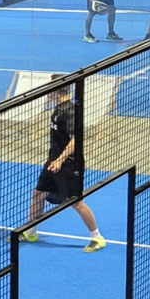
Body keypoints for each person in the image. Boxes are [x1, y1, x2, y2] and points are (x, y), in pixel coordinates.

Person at [18, 89, 106, 250]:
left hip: (68, 164)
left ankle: (97, 237)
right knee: (38, 194)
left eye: (49, 90)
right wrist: (54, 159)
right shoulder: (58, 108)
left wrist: (60, 160)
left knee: (76, 202)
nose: (47, 93)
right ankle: (31, 231)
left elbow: (75, 140)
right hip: (53, 162)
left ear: (56, 92)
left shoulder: (70, 111)